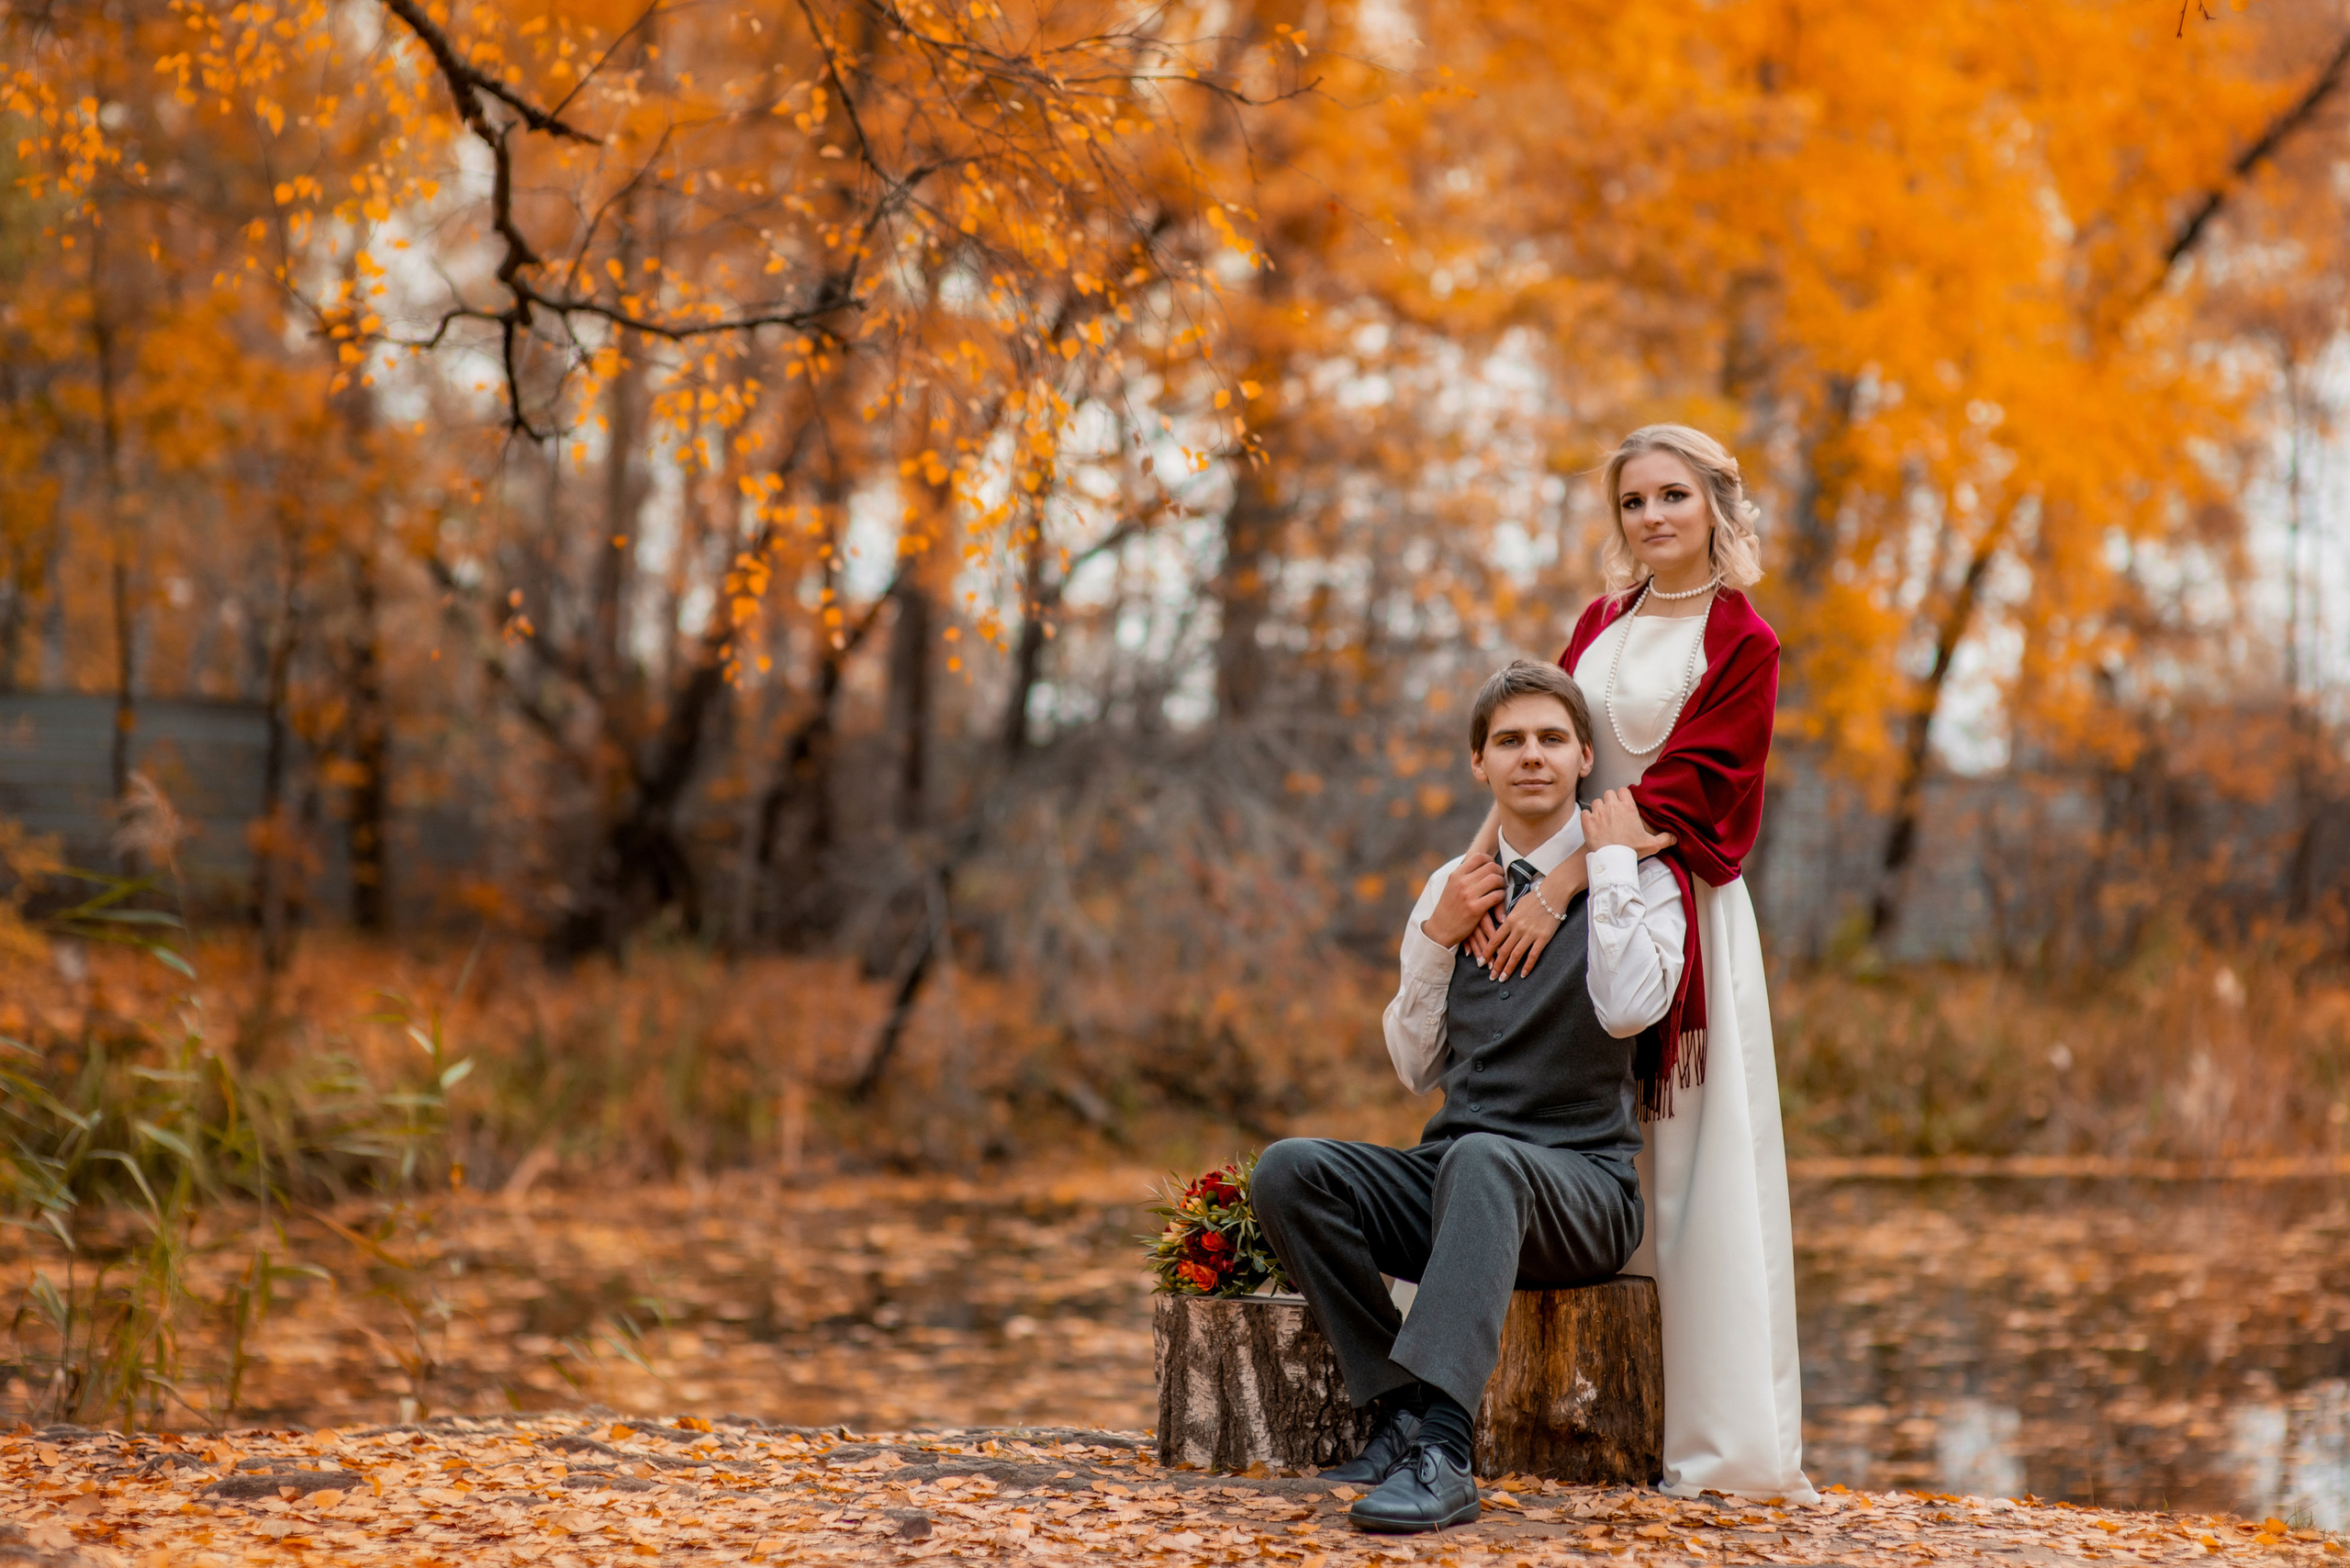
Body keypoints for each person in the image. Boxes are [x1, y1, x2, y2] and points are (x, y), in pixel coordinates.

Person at [1463, 423, 1816, 1503]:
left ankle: (1712, 1442)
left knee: (1692, 1157)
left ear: (1715, 504)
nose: (1652, 517)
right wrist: (1480, 866)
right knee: (1584, 1120)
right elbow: (1553, 756)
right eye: (1632, 502)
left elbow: (1703, 784)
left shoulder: (1743, 638)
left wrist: (1575, 879)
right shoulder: (1598, 622)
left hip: (1677, 899)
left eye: (1673, 495)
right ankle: (1588, 1422)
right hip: (1570, 885)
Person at [1252, 659, 1687, 1534]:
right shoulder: (1453, 884)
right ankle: (1400, 1412)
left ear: (1584, 757)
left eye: (1552, 739)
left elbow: (1630, 1009)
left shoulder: (1640, 879)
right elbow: (1414, 1067)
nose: (1532, 756)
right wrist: (1436, 937)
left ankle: (1447, 1453)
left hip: (1583, 1196)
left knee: (1486, 1160)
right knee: (1291, 1172)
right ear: (1479, 765)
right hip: (1457, 1183)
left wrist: (1600, 870)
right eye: (1510, 741)